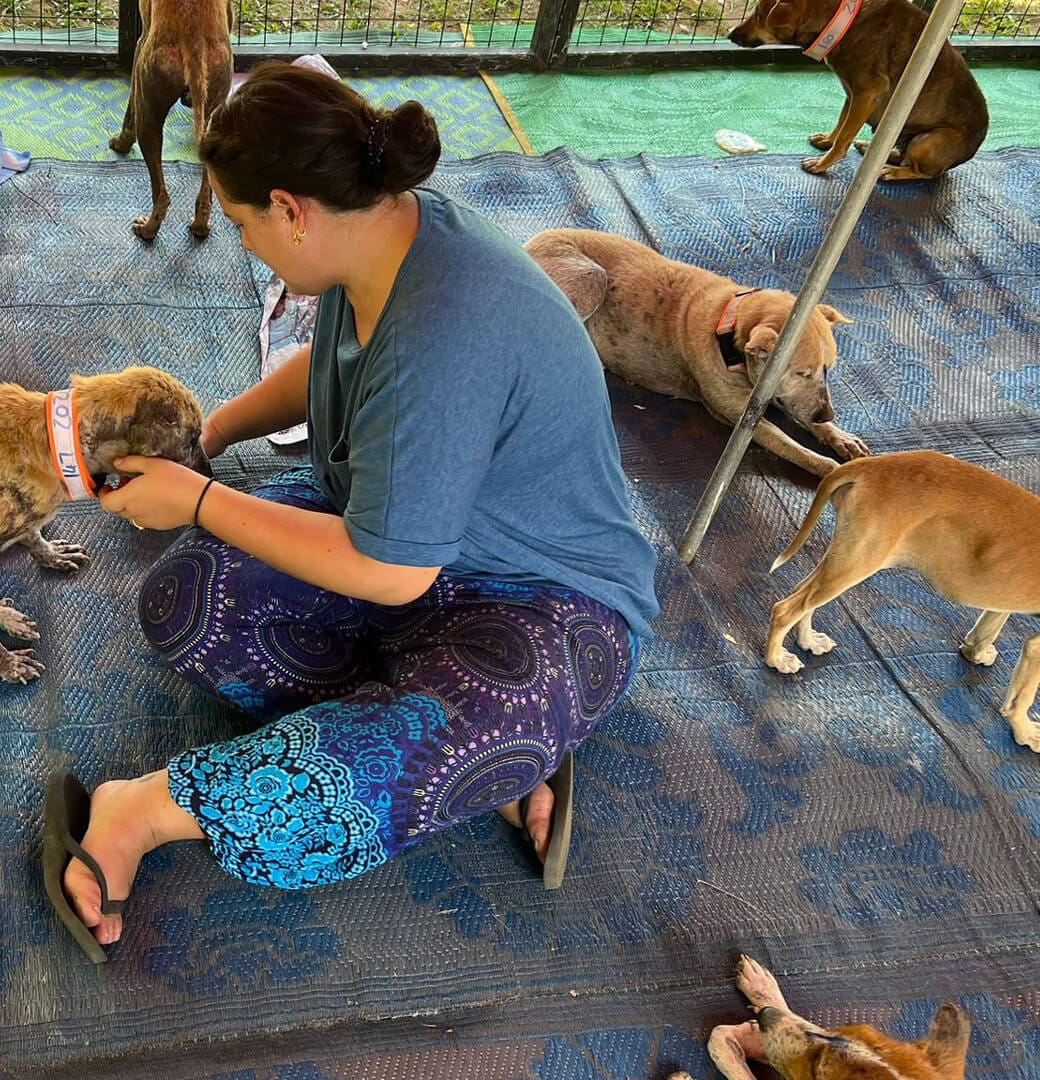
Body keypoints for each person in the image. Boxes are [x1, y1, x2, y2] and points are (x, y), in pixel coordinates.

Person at [42, 63, 659, 961]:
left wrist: (203, 501)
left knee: (315, 805)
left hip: (541, 594)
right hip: (392, 535)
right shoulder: (380, 239)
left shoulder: (450, 332)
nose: (246, 243)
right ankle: (475, 728)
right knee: (188, 609)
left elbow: (389, 570)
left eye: (246, 221)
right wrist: (209, 438)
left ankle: (134, 813)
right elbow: (330, 362)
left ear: (291, 209)